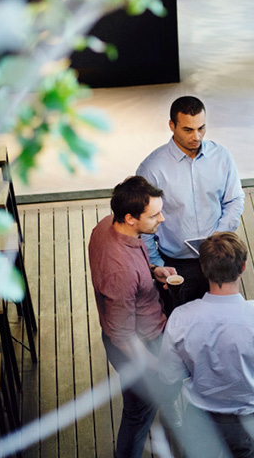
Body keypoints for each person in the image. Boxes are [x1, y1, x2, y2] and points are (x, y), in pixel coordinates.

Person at [158, 232, 254, 458]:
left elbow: (168, 374)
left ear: (203, 268)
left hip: (199, 421)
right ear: (243, 267)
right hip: (249, 423)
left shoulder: (180, 318)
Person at [88, 176, 177, 458]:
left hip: (142, 330)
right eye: (154, 215)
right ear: (129, 218)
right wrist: (154, 366)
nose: (161, 219)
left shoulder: (107, 225)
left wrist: (152, 271)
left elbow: (133, 270)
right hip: (141, 344)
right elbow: (123, 336)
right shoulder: (119, 272)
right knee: (138, 415)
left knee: (142, 407)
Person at [137, 96, 245, 307]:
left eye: (201, 128)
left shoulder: (222, 156)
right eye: (188, 130)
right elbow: (143, 222)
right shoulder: (151, 168)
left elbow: (234, 200)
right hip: (175, 265)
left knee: (219, 323)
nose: (196, 136)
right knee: (176, 326)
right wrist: (156, 264)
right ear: (172, 126)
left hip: (217, 256)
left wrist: (218, 236)